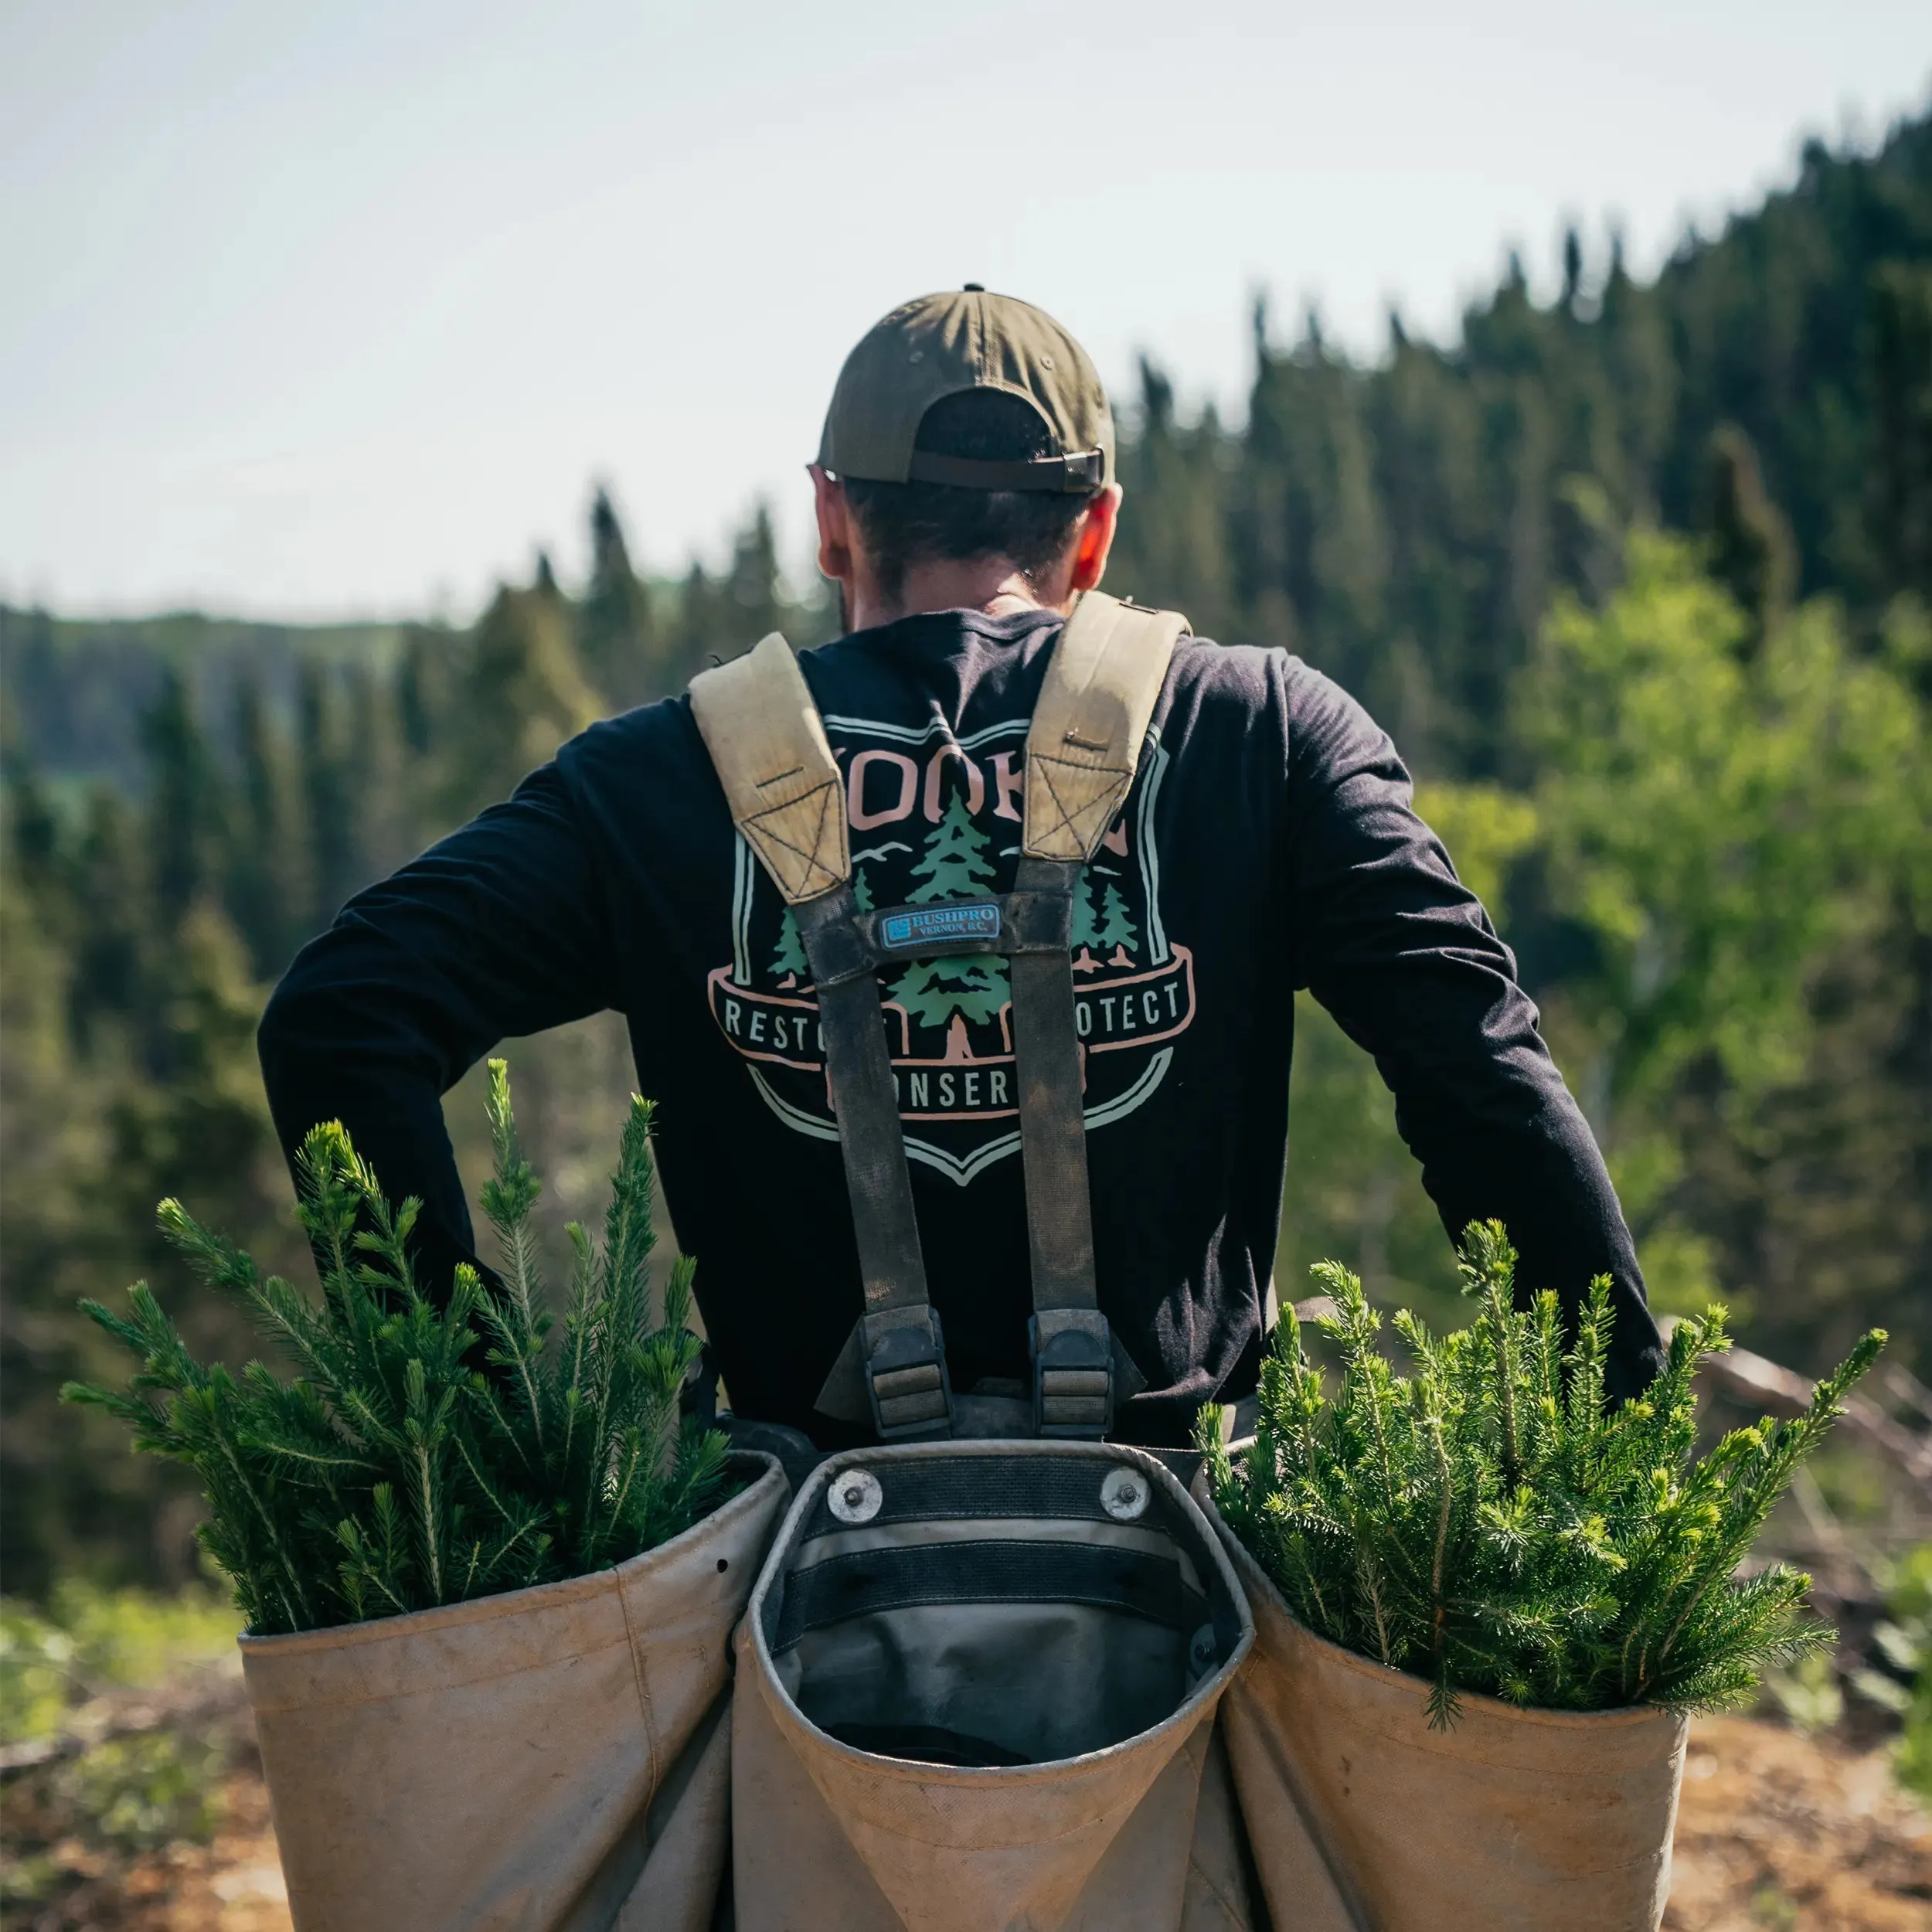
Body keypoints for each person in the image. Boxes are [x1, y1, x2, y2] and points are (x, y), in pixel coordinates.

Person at [258, 287, 1664, 1450]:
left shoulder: (660, 774)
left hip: (792, 1596)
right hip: (1204, 1585)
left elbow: (340, 1019)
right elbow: (1480, 1073)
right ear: (1096, 529)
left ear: (831, 519)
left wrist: (479, 1432)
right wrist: (1615, 1448)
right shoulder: (1262, 731)